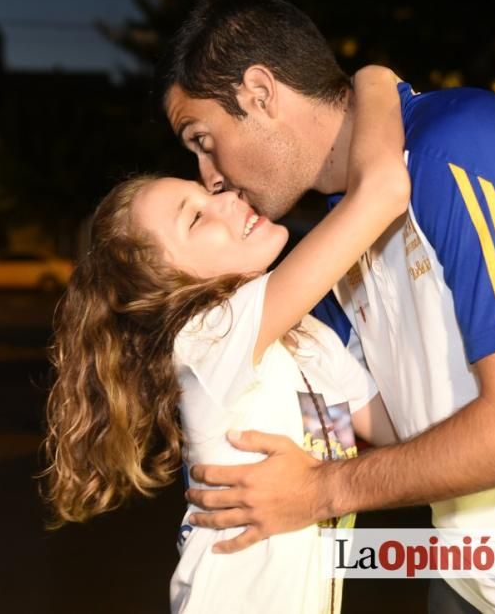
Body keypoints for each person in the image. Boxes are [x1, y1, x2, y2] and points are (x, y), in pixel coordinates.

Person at [160, 0, 495, 613]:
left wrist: (321, 490)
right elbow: (365, 418)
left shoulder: (461, 149)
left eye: (203, 138)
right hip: (469, 575)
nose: (208, 174)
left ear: (260, 94)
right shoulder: (343, 242)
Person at [44, 66, 408, 613]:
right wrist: (376, 81)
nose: (225, 194)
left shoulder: (306, 340)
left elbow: (404, 437)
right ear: (169, 285)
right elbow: (380, 192)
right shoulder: (206, 338)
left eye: (203, 191)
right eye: (196, 219)